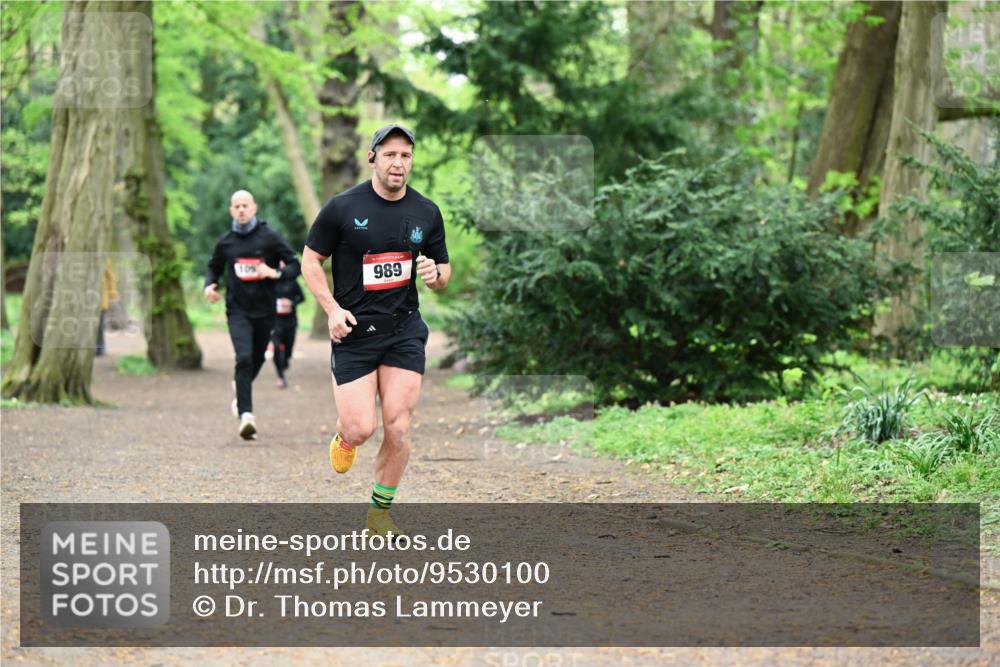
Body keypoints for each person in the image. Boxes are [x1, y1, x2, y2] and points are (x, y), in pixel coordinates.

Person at [302, 124, 451, 539]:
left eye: (405, 155)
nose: (398, 163)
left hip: (404, 330)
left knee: (399, 426)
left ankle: (378, 514)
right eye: (389, 155)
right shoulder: (342, 207)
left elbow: (443, 270)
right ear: (373, 158)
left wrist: (435, 274)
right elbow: (310, 261)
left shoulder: (426, 211)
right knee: (360, 428)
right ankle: (344, 437)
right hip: (354, 333)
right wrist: (331, 310)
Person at [205, 190, 301, 440]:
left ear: (254, 208)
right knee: (244, 357)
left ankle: (241, 388)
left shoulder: (269, 238)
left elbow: (295, 264)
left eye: (245, 205)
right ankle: (246, 415)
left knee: (257, 357)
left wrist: (274, 273)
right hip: (237, 310)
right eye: (236, 206)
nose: (240, 210)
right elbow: (213, 267)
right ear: (231, 211)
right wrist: (210, 285)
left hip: (265, 310)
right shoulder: (226, 242)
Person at [271, 260, 305, 388]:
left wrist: (291, 303)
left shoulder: (293, 282)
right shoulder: (271, 282)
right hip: (275, 321)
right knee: (276, 348)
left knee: (288, 350)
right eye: (278, 263)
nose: (281, 265)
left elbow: (302, 298)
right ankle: (280, 376)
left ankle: (284, 362)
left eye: (283, 263)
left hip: (290, 321)